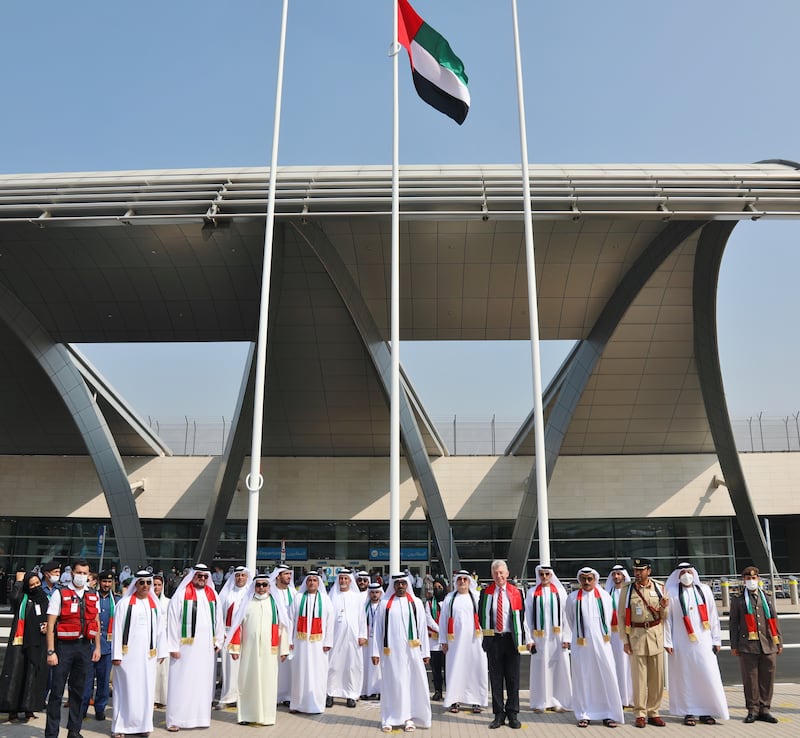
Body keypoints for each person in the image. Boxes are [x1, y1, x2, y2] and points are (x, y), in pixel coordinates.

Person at [663, 562, 728, 725]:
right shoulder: (671, 592)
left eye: (688, 571)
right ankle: (688, 711)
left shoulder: (704, 590)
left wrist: (716, 639)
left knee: (706, 674)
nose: (686, 575)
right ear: (677, 575)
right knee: (685, 677)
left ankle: (707, 711)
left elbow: (713, 616)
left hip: (704, 642)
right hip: (681, 643)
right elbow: (667, 619)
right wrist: (668, 641)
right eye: (682, 572)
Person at [44, 558, 102, 738]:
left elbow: (96, 623)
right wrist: (51, 651)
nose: (82, 576)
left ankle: (74, 731)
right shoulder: (59, 594)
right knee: (57, 692)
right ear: (71, 574)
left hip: (84, 647)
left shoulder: (93, 594)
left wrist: (97, 647)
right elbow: (51, 625)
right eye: (79, 573)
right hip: (64, 647)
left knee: (79, 692)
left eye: (85, 573)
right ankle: (51, 733)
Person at [164, 563, 224, 732]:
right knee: (181, 682)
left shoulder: (213, 595)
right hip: (184, 649)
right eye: (199, 576)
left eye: (205, 577)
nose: (202, 579)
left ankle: (200, 718)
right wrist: (173, 646)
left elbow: (218, 620)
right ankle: (175, 720)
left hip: (205, 649)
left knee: (202, 682)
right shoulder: (181, 594)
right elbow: (173, 620)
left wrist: (218, 641)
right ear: (192, 576)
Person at [226, 572, 290, 726]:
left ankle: (267, 717)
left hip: (270, 651)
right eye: (258, 585)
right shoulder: (246, 602)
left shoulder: (276, 604)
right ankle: (247, 715)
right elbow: (237, 626)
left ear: (269, 586)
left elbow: (283, 627)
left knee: (268, 682)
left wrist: (283, 650)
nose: (261, 588)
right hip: (249, 651)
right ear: (254, 586)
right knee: (248, 681)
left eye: (264, 585)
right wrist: (235, 649)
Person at [372, 572, 431, 733]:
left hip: (412, 652)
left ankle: (408, 718)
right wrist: (375, 652)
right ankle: (388, 718)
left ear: (407, 585)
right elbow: (378, 630)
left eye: (403, 583)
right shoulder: (384, 604)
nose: (400, 586)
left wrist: (425, 652)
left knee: (411, 684)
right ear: (393, 585)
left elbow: (422, 628)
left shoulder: (416, 603)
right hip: (390, 653)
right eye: (397, 583)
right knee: (392, 685)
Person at [565, 567, 624, 728]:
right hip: (581, 645)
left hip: (602, 644)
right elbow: (571, 620)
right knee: (583, 678)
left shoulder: (605, 597)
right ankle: (584, 714)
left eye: (589, 579)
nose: (586, 582)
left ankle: (608, 714)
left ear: (595, 580)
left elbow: (609, 619)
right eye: (583, 579)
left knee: (605, 675)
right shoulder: (571, 599)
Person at [110, 570, 163, 737]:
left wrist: (162, 651)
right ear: (135, 584)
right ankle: (121, 727)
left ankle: (143, 726)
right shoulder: (124, 605)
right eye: (142, 582)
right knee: (125, 690)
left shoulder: (155, 606)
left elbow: (161, 631)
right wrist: (116, 654)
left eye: (148, 583)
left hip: (148, 656)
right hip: (127, 657)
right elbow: (117, 630)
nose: (146, 586)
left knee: (146, 690)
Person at [729, 565, 782, 724]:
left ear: (758, 579)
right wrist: (734, 645)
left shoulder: (766, 596)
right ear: (743, 580)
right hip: (748, 644)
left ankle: (765, 709)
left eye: (753, 578)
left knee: (767, 677)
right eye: (748, 578)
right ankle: (752, 709)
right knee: (750, 679)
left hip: (768, 643)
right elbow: (734, 623)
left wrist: (778, 641)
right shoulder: (738, 599)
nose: (751, 581)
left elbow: (774, 619)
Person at [618, 557, 668, 728]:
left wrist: (663, 607)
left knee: (657, 678)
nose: (638, 574)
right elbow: (621, 617)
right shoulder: (627, 589)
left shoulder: (660, 587)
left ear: (649, 571)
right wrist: (625, 640)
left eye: (641, 570)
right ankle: (640, 713)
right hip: (636, 636)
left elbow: (665, 616)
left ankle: (654, 712)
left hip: (655, 636)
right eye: (635, 571)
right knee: (639, 679)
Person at [479, 559, 528, 729]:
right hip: (494, 640)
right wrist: (486, 640)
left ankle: (513, 713)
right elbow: (481, 615)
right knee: (496, 678)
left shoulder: (516, 592)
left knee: (513, 678)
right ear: (492, 575)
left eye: (501, 572)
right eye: (495, 573)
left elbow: (522, 618)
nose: (499, 576)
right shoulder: (486, 593)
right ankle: (498, 714)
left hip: (511, 639)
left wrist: (524, 639)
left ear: (507, 574)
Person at [0, 570, 49, 722]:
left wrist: (47, 625)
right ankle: (12, 711)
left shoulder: (44, 599)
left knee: (31, 677)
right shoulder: (22, 598)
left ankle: (28, 708)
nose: (35, 586)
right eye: (31, 584)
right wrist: (19, 582)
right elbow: (13, 598)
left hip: (37, 643)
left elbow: (51, 616)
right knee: (17, 675)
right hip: (20, 644)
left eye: (37, 583)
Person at [439, 570, 488, 714]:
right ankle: (455, 700)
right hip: (455, 643)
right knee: (455, 669)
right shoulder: (449, 598)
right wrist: (443, 640)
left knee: (476, 669)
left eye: (464, 579)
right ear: (455, 582)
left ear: (469, 581)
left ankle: (476, 701)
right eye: (459, 579)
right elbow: (443, 621)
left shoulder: (477, 597)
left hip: (475, 641)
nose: (462, 581)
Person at [525, 564, 572, 713]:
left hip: (557, 638)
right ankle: (540, 702)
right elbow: (527, 618)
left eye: (547, 574)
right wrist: (529, 639)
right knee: (540, 669)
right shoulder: (532, 593)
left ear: (551, 575)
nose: (544, 577)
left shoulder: (560, 591)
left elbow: (567, 616)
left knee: (559, 669)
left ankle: (558, 701)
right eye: (541, 574)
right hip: (539, 639)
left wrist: (567, 637)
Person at [289, 571, 334, 714]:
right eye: (309, 580)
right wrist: (289, 640)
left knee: (318, 673)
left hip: (319, 645)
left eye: (315, 580)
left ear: (319, 583)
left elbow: (330, 622)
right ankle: (297, 704)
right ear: (305, 583)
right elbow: (291, 621)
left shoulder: (325, 600)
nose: (312, 583)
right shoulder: (298, 598)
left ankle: (316, 705)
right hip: (300, 643)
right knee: (299, 673)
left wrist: (328, 641)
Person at [326, 569, 367, 708]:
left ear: (350, 580)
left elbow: (362, 618)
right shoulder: (332, 596)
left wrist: (362, 635)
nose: (343, 581)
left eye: (345, 578)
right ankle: (330, 693)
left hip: (353, 638)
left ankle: (351, 695)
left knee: (352, 666)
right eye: (341, 578)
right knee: (333, 665)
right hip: (336, 637)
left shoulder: (356, 597)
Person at [81, 569, 118, 721]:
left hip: (107, 646)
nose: (106, 584)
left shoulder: (116, 600)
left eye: (109, 582)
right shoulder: (90, 597)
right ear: (99, 582)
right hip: (90, 645)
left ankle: (100, 708)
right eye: (104, 581)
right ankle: (82, 708)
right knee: (86, 680)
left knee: (103, 682)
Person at [217, 565, 250, 709]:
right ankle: (227, 697)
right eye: (238, 575)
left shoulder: (250, 593)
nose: (240, 578)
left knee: (244, 666)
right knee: (228, 666)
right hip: (228, 633)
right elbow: (219, 615)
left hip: (245, 634)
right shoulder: (226, 594)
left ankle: (242, 697)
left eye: (243, 575)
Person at [604, 564, 633, 708]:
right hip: (612, 636)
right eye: (614, 574)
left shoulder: (629, 592)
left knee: (629, 666)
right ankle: (618, 698)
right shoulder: (606, 594)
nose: (616, 577)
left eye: (619, 574)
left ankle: (631, 698)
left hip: (628, 634)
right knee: (615, 665)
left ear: (623, 576)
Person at [269, 564, 296, 706]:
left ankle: (288, 696)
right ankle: (274, 695)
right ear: (278, 576)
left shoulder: (293, 593)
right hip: (275, 632)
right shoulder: (271, 592)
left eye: (289, 574)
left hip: (291, 633)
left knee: (289, 666)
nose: (288, 577)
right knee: (274, 665)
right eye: (286, 574)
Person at [425, 578, 446, 701]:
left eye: (440, 587)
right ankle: (438, 691)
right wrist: (440, 630)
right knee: (436, 669)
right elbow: (428, 619)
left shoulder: (449, 602)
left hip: (448, 642)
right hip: (434, 641)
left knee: (448, 669)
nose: (438, 589)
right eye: (436, 587)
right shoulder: (428, 603)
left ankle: (451, 693)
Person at [361, 581, 383, 700]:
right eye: (372, 592)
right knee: (366, 665)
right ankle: (367, 690)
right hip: (367, 640)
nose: (374, 595)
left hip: (379, 639)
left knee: (379, 667)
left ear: (380, 593)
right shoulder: (364, 606)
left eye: (377, 592)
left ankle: (380, 690)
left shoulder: (383, 606)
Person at [152, 573, 170, 707]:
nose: (156, 587)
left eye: (159, 585)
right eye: (154, 585)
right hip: (150, 639)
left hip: (165, 638)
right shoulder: (147, 601)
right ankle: (152, 698)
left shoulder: (168, 602)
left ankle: (163, 699)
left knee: (163, 671)